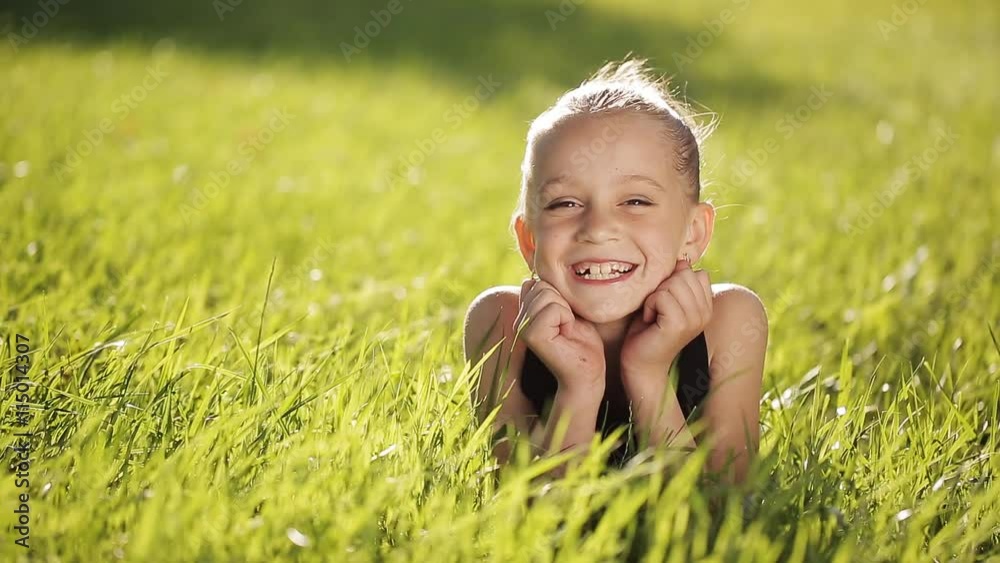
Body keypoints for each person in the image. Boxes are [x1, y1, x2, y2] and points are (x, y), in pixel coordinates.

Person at [463, 58, 768, 485]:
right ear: (530, 241)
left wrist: (650, 376)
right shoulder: (499, 324)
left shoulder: (730, 319)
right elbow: (526, 517)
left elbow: (717, 514)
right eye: (565, 203)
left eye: (636, 201)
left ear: (693, 232)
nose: (599, 228)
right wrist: (578, 389)